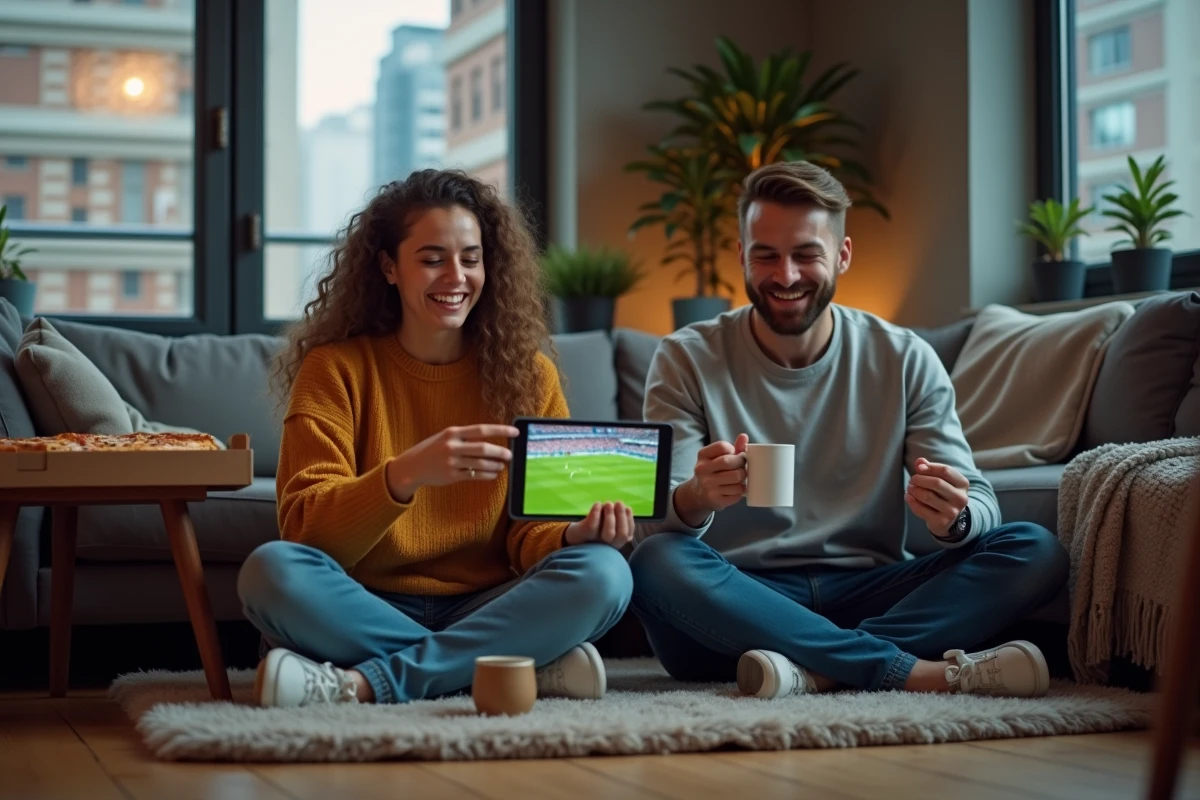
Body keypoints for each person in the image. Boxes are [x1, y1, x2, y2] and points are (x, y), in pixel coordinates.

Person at [630, 161, 1069, 699]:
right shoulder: (686, 357)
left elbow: (978, 501)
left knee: (1034, 548)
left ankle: (816, 671)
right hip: (739, 599)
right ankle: (903, 670)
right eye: (765, 254)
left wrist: (955, 519)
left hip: (870, 589)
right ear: (742, 256)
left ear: (842, 255)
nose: (785, 275)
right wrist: (696, 497)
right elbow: (654, 527)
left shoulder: (905, 357)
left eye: (806, 254)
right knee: (658, 561)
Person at [237, 169, 635, 708]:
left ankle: (369, 681)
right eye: (431, 259)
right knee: (271, 571)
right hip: (366, 600)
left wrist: (572, 536)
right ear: (389, 268)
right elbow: (307, 532)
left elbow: (530, 535)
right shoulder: (335, 369)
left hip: (488, 605)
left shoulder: (529, 376)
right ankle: (509, 665)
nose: (455, 276)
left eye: (470, 258)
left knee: (606, 572)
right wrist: (406, 475)